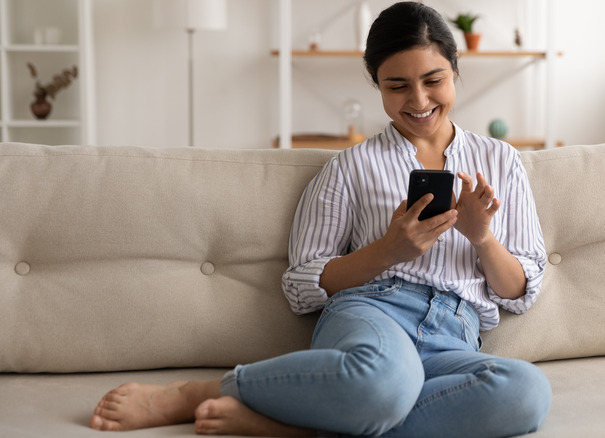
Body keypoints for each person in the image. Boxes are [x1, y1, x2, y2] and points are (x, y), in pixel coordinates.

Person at [89, 2, 551, 436]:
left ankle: (300, 426)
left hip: (456, 332)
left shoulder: (502, 161)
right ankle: (201, 392)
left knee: (525, 393)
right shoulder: (348, 167)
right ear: (374, 81)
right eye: (397, 86)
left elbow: (520, 292)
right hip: (374, 313)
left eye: (434, 80)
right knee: (384, 381)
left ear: (455, 70)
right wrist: (390, 250)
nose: (419, 99)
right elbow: (301, 285)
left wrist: (483, 238)